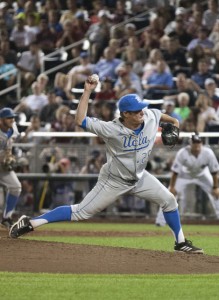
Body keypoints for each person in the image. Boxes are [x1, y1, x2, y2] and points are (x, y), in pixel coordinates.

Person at [9, 76, 204, 254]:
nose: (142, 112)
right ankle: (30, 222)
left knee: (169, 200)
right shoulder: (111, 129)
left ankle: (180, 242)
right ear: (125, 113)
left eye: (142, 108)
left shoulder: (149, 116)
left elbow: (161, 115)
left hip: (140, 177)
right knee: (80, 213)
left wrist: (176, 125)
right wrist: (87, 91)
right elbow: (80, 120)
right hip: (114, 180)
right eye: (137, 110)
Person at [156, 133, 219, 226]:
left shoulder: (208, 153)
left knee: (217, 194)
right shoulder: (183, 152)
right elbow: (175, 172)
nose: (197, 144)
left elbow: (214, 172)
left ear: (201, 143)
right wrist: (172, 187)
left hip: (203, 174)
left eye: (198, 142)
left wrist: (215, 187)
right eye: (194, 142)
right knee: (170, 195)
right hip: (184, 175)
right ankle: (160, 221)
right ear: (190, 143)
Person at [0, 108, 22, 228]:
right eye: (9, 118)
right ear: (1, 120)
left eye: (12, 117)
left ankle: (6, 217)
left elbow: (9, 146)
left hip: (2, 167)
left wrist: (10, 157)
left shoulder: (13, 129)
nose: (12, 120)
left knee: (16, 187)